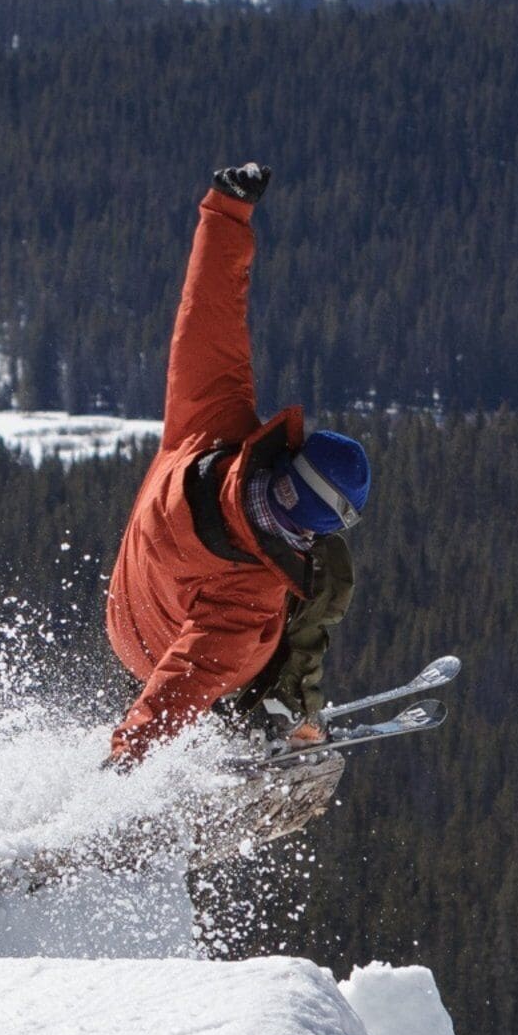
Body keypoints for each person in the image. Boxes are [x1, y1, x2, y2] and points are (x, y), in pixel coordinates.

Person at [104, 161, 374, 768]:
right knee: (324, 577)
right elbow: (186, 679)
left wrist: (226, 211)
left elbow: (208, 316)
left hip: (135, 608)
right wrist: (127, 760)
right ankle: (280, 711)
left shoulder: (210, 424)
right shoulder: (250, 593)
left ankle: (244, 702)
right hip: (161, 646)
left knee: (234, 630)